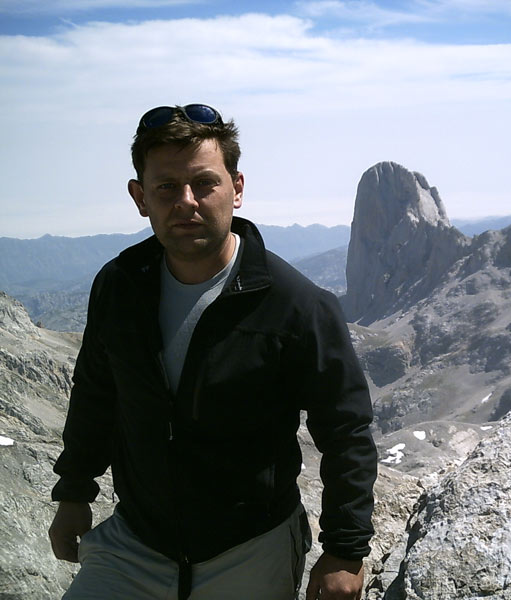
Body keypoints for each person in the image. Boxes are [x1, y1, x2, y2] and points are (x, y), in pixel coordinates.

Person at [48, 103, 378, 600]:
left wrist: (345, 551)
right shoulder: (119, 285)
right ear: (140, 198)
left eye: (204, 183)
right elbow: (97, 392)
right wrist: (73, 491)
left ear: (237, 189)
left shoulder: (297, 305)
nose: (186, 202)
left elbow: (345, 431)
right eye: (166, 187)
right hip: (136, 542)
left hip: (249, 548)